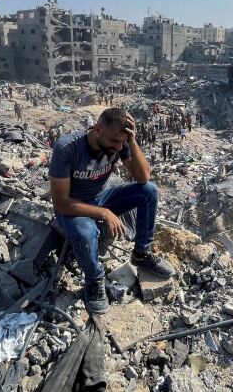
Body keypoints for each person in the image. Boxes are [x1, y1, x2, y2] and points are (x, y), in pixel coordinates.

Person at [49, 108, 176, 314]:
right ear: (98, 129)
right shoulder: (68, 148)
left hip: (102, 198)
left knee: (149, 191)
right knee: (85, 232)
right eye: (115, 141)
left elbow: (143, 177)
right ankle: (94, 278)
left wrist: (132, 142)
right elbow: (61, 203)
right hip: (73, 207)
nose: (118, 147)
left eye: (122, 142)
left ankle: (142, 254)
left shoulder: (120, 143)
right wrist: (104, 214)